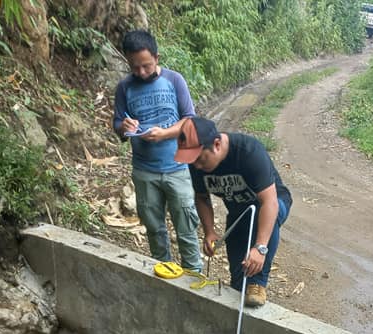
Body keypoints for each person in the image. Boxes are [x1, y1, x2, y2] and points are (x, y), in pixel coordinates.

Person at [174, 116, 292, 308]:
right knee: (238, 273)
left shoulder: (249, 153)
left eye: (200, 159)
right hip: (239, 212)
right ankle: (240, 290)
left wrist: (260, 248)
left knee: (267, 223)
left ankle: (257, 284)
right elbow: (202, 197)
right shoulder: (197, 164)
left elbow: (269, 202)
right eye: (193, 161)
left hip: (273, 203)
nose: (197, 166)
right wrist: (209, 231)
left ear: (217, 144)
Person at [112, 29, 201, 272]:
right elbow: (118, 125)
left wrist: (165, 133)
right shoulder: (124, 87)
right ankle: (165, 274)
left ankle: (194, 278)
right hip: (144, 172)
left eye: (146, 66)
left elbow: (189, 120)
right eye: (135, 67)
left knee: (186, 229)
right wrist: (124, 126)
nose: (141, 72)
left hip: (177, 168)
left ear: (157, 58)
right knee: (155, 230)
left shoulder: (174, 80)